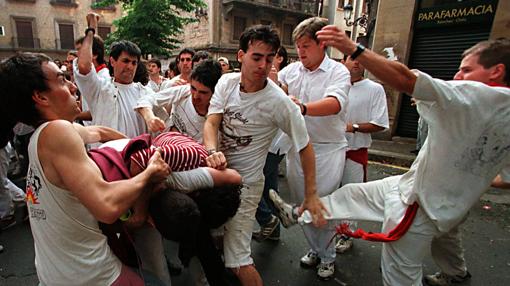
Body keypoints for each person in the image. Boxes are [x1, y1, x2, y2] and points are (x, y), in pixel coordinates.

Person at [270, 28, 510, 286]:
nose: (458, 76)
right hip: (429, 195)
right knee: (353, 194)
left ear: (496, 71)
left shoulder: (484, 95)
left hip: (420, 206)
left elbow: (406, 80)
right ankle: (457, 273)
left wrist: (353, 48)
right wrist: (470, 181)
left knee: (399, 273)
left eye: (466, 70)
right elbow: (504, 179)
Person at [0, 52, 170, 285]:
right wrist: (149, 172)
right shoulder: (59, 131)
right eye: (61, 80)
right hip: (93, 277)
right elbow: (107, 205)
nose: (72, 86)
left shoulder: (42, 135)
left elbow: (98, 132)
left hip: (57, 276)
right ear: (41, 97)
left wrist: (134, 148)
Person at [203, 24, 326, 286]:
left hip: (246, 187)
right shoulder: (226, 83)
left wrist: (311, 194)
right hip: (217, 179)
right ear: (240, 56)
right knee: (213, 240)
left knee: (238, 259)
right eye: (257, 57)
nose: (264, 65)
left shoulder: (279, 102)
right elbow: (212, 122)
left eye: (269, 58)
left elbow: (305, 145)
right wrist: (212, 152)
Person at [74, 12, 170, 283]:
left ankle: (157, 276)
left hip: (137, 173)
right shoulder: (99, 88)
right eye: (125, 61)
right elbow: (83, 67)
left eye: (134, 62)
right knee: (107, 235)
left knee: (149, 237)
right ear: (112, 61)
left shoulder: (142, 90)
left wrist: (152, 120)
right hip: (101, 172)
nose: (129, 66)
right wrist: (91, 30)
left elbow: (148, 110)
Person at [275, 17, 351, 280]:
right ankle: (315, 248)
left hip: (328, 148)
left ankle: (328, 257)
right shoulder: (292, 71)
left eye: (306, 45)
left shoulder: (338, 72)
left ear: (322, 45)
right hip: (298, 147)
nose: (301, 51)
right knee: (304, 200)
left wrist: (303, 107)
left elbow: (334, 103)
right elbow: (275, 85)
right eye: (298, 46)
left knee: (321, 202)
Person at [335, 54, 389, 253]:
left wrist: (353, 127)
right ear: (343, 62)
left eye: (361, 58)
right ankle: (323, 237)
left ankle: (346, 234)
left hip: (355, 152)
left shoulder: (375, 89)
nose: (357, 62)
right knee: (326, 194)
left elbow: (380, 123)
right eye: (352, 58)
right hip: (330, 150)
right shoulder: (334, 85)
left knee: (352, 196)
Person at [252, 45, 289, 242]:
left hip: (275, 144)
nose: (263, 63)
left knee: (250, 183)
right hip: (271, 143)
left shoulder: (278, 79)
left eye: (269, 58)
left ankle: (267, 219)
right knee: (269, 187)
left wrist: (274, 84)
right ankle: (274, 224)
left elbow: (284, 98)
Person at [136, 60, 223, 143]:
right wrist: (150, 118)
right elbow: (147, 99)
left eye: (203, 92)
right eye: (193, 88)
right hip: (163, 140)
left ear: (215, 92)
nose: (196, 96)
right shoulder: (183, 92)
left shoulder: (217, 118)